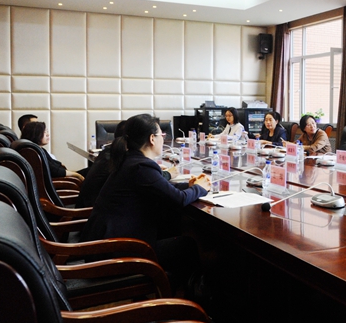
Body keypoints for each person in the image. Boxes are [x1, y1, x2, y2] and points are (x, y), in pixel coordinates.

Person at [80, 114, 211, 277]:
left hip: (105, 244)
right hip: (116, 252)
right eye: (162, 135)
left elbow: (160, 188)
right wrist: (200, 188)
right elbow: (179, 199)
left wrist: (189, 186)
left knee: (169, 227)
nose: (164, 139)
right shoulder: (142, 166)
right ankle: (178, 291)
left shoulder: (130, 160)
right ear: (152, 138)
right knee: (186, 245)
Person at [20, 121, 84, 182]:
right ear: (35, 134)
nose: (48, 134)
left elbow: (55, 165)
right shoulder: (34, 153)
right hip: (58, 181)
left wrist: (74, 173)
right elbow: (54, 171)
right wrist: (76, 175)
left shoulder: (39, 149)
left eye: (47, 131)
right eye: (44, 132)